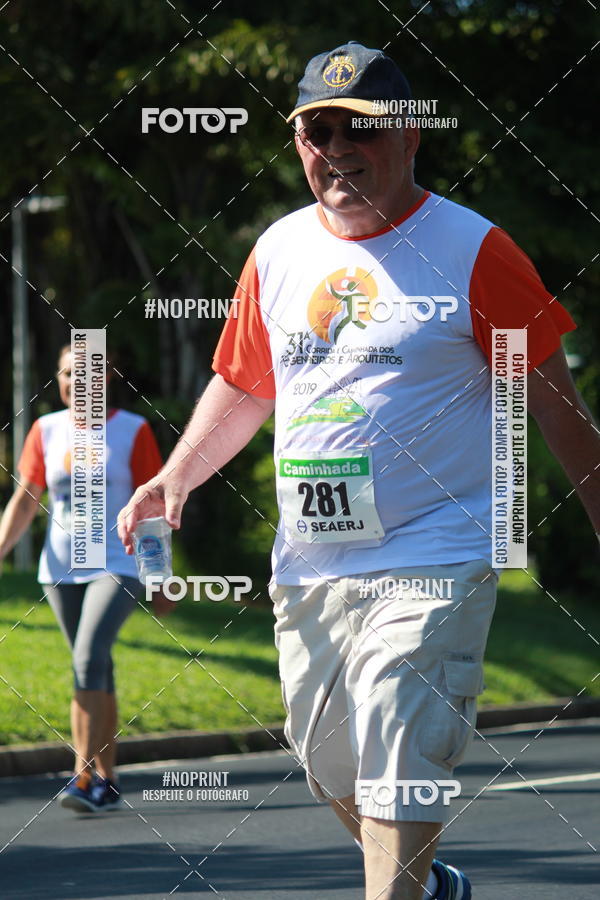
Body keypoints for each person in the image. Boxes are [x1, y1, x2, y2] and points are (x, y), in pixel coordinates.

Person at [118, 42, 600, 900]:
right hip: (313, 560)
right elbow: (243, 383)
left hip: (437, 547)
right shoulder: (277, 250)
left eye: (359, 129)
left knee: (396, 731)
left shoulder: (475, 250)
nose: (336, 148)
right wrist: (178, 475)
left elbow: (556, 407)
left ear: (411, 136)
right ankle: (431, 879)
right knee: (327, 758)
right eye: (317, 130)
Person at [0, 344, 163, 812]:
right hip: (60, 568)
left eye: (86, 373)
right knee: (95, 667)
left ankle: (83, 777)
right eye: (67, 374)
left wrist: (160, 576)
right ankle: (108, 781)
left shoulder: (133, 430)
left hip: (120, 563)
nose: (75, 382)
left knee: (88, 658)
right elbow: (27, 499)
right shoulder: (45, 429)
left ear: (108, 378)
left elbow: (153, 508)